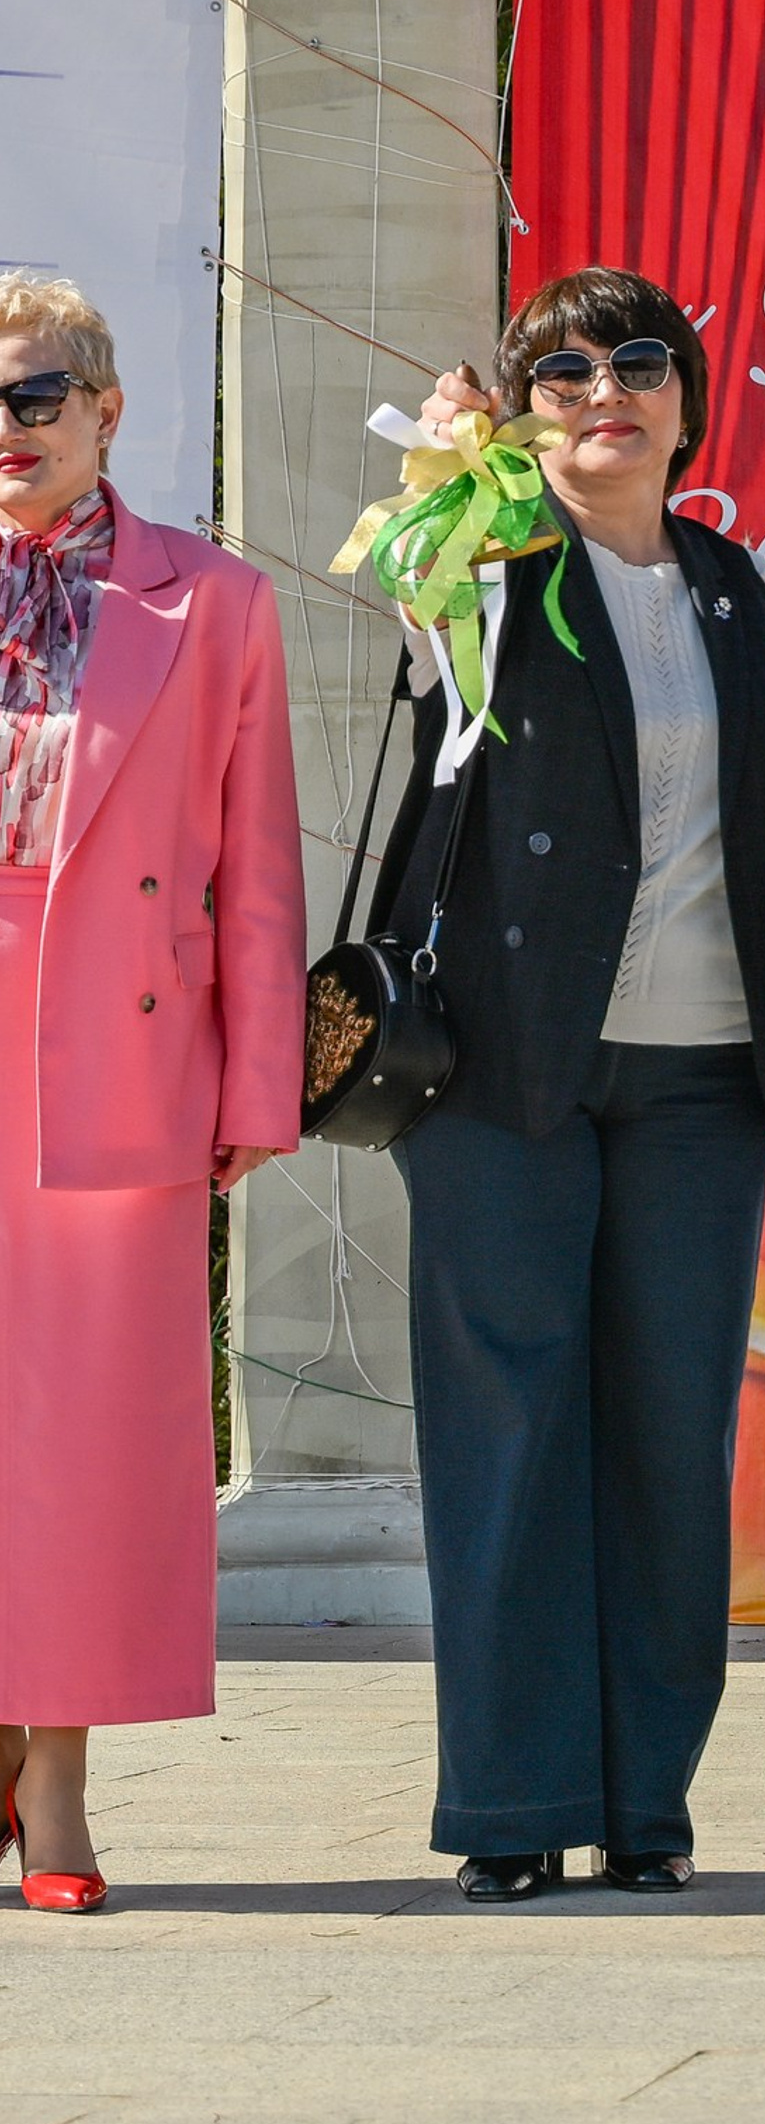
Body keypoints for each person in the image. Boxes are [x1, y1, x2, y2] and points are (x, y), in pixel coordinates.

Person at [388, 268, 765, 1901]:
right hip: (503, 1066)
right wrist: (457, 477)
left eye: (638, 364)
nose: (607, 391)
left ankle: (645, 1802)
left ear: (687, 400)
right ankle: (512, 1808)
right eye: (564, 372)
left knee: (668, 1439)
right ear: (526, 412)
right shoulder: (490, 561)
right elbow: (398, 581)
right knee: (508, 1433)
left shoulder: (744, 594)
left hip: (701, 1078)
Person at [0, 268, 303, 1913]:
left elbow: (258, 867)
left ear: (107, 409)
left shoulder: (217, 602)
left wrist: (261, 1080)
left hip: (111, 1050)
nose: (9, 430)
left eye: (36, 397)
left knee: (81, 1445)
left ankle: (56, 1787)